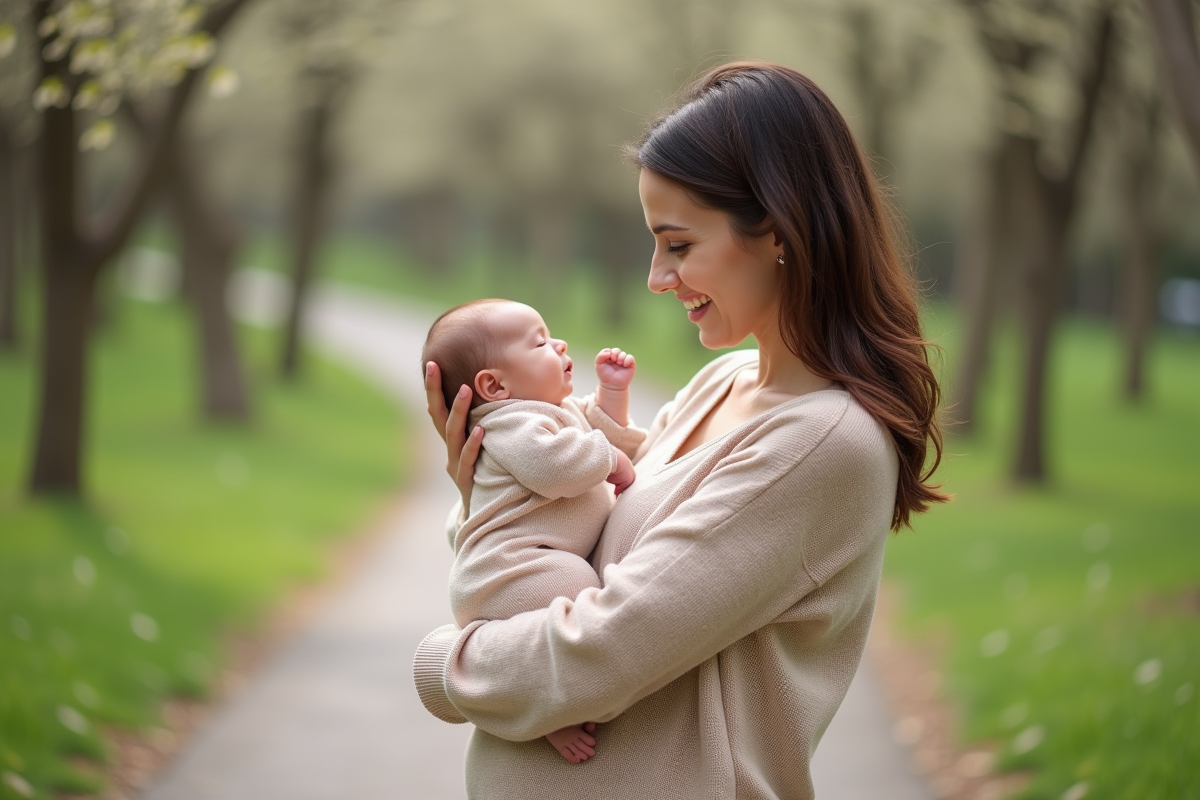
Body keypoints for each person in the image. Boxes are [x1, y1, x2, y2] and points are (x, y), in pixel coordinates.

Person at [415, 61, 948, 800]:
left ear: (777, 232)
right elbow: (568, 526)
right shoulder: (719, 386)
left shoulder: (823, 444)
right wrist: (488, 479)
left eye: (679, 244)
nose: (656, 278)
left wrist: (445, 666)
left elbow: (601, 651)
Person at [420, 298, 645, 763]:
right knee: (581, 591)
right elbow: (556, 465)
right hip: (510, 570)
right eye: (540, 341)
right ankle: (551, 714)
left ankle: (548, 701)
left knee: (575, 601)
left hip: (511, 568)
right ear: (494, 385)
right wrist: (611, 460)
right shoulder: (511, 426)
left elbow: (589, 428)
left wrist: (612, 395)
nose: (559, 343)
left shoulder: (541, 415)